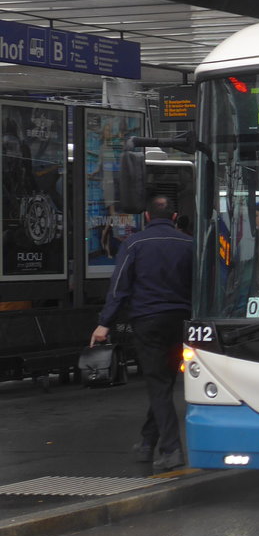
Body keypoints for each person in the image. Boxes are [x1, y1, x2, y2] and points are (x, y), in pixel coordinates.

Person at [89, 195, 193, 471]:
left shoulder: (134, 244)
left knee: (158, 384)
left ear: (146, 217)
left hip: (148, 322)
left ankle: (171, 449)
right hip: (181, 322)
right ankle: (147, 442)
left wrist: (104, 323)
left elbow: (119, 287)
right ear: (174, 218)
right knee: (164, 383)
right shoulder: (189, 244)